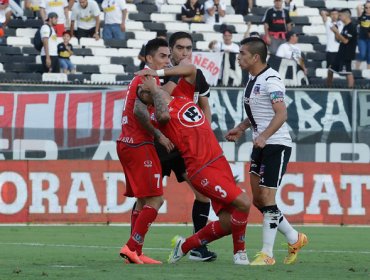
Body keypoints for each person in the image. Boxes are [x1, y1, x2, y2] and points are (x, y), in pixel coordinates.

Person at [135, 64, 251, 265]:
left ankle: (186, 245)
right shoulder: (157, 115)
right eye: (142, 93)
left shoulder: (182, 96)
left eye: (146, 87)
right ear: (147, 100)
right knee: (244, 203)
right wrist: (153, 90)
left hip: (218, 161)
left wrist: (158, 73)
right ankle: (239, 254)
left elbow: (192, 70)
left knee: (228, 221)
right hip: (201, 168)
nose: (145, 90)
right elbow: (163, 115)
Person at [225, 37, 308, 265]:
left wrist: (264, 136)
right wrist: (242, 128)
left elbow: (281, 114)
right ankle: (294, 237)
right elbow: (259, 113)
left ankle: (267, 254)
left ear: (255, 57)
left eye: (242, 53)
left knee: (268, 199)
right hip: (260, 144)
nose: (238, 57)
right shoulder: (253, 78)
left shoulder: (272, 79)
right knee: (259, 201)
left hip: (276, 145)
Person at [160, 31, 217, 262]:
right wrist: (180, 72)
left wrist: (205, 136)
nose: (185, 53)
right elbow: (161, 98)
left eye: (189, 49)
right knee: (149, 197)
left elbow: (205, 108)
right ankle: (135, 246)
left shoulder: (197, 75)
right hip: (160, 143)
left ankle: (197, 246)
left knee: (204, 195)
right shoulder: (161, 72)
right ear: (171, 50)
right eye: (180, 48)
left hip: (184, 147)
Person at [117, 38, 173, 265]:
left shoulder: (140, 77)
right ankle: (131, 247)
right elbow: (141, 111)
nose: (167, 60)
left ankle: (136, 252)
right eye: (163, 56)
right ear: (149, 58)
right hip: (139, 144)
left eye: (168, 56)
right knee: (156, 200)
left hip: (127, 142)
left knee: (142, 201)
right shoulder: (148, 78)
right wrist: (160, 134)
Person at [328, 8, 357, 88]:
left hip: (347, 53)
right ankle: (328, 89)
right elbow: (338, 40)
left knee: (348, 72)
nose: (339, 17)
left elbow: (345, 41)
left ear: (346, 16)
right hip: (341, 52)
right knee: (330, 70)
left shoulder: (352, 27)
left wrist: (336, 32)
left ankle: (351, 92)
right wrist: (335, 32)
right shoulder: (345, 27)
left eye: (340, 15)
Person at [320, 8, 343, 82]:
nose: (334, 16)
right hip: (330, 50)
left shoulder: (342, 23)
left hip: (340, 50)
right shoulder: (328, 23)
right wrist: (329, 14)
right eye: (332, 14)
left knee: (343, 71)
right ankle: (329, 88)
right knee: (330, 71)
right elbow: (323, 12)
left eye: (336, 14)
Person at [356, 2, 370, 69]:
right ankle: (356, 69)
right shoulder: (362, 15)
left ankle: (368, 73)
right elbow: (358, 6)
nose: (368, 9)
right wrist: (364, 5)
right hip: (362, 38)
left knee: (369, 56)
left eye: (369, 7)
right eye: (366, 7)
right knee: (362, 54)